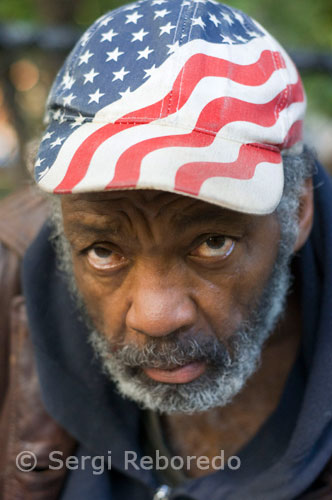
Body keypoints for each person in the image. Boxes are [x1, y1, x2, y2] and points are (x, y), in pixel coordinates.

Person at [1, 0, 332, 499]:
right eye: (103, 252)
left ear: (299, 209)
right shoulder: (9, 271)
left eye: (212, 243)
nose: (156, 315)